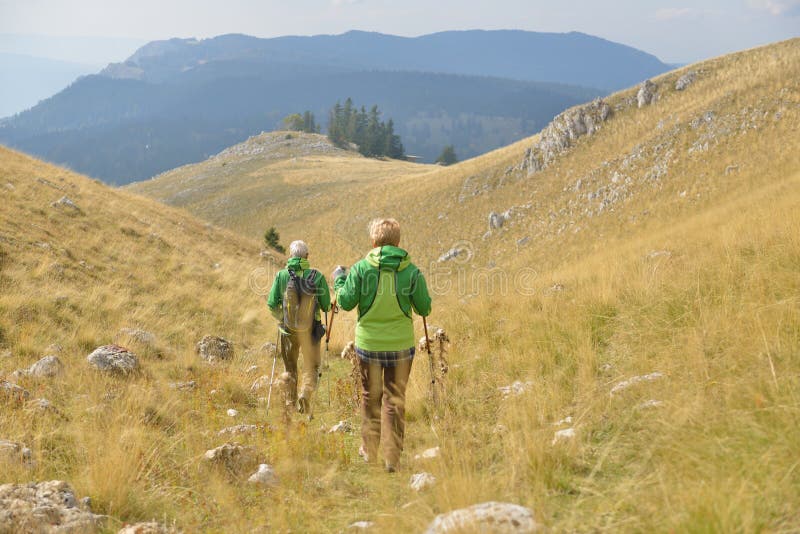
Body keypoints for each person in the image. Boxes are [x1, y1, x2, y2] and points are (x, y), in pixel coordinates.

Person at [332, 218, 432, 472]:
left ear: (374, 242)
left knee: (370, 396)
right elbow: (424, 307)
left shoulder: (360, 269)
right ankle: (392, 457)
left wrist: (339, 281)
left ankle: (370, 450)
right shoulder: (411, 271)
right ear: (398, 242)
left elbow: (344, 302)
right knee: (394, 399)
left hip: (369, 346)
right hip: (401, 346)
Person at [267, 240, 331, 415]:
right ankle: (305, 393)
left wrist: (283, 318)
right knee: (311, 365)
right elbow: (326, 306)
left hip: (288, 331)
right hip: (311, 331)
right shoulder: (317, 276)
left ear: (290, 256)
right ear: (307, 256)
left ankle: (290, 403)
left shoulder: (281, 276)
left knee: (290, 367)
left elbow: (272, 304)